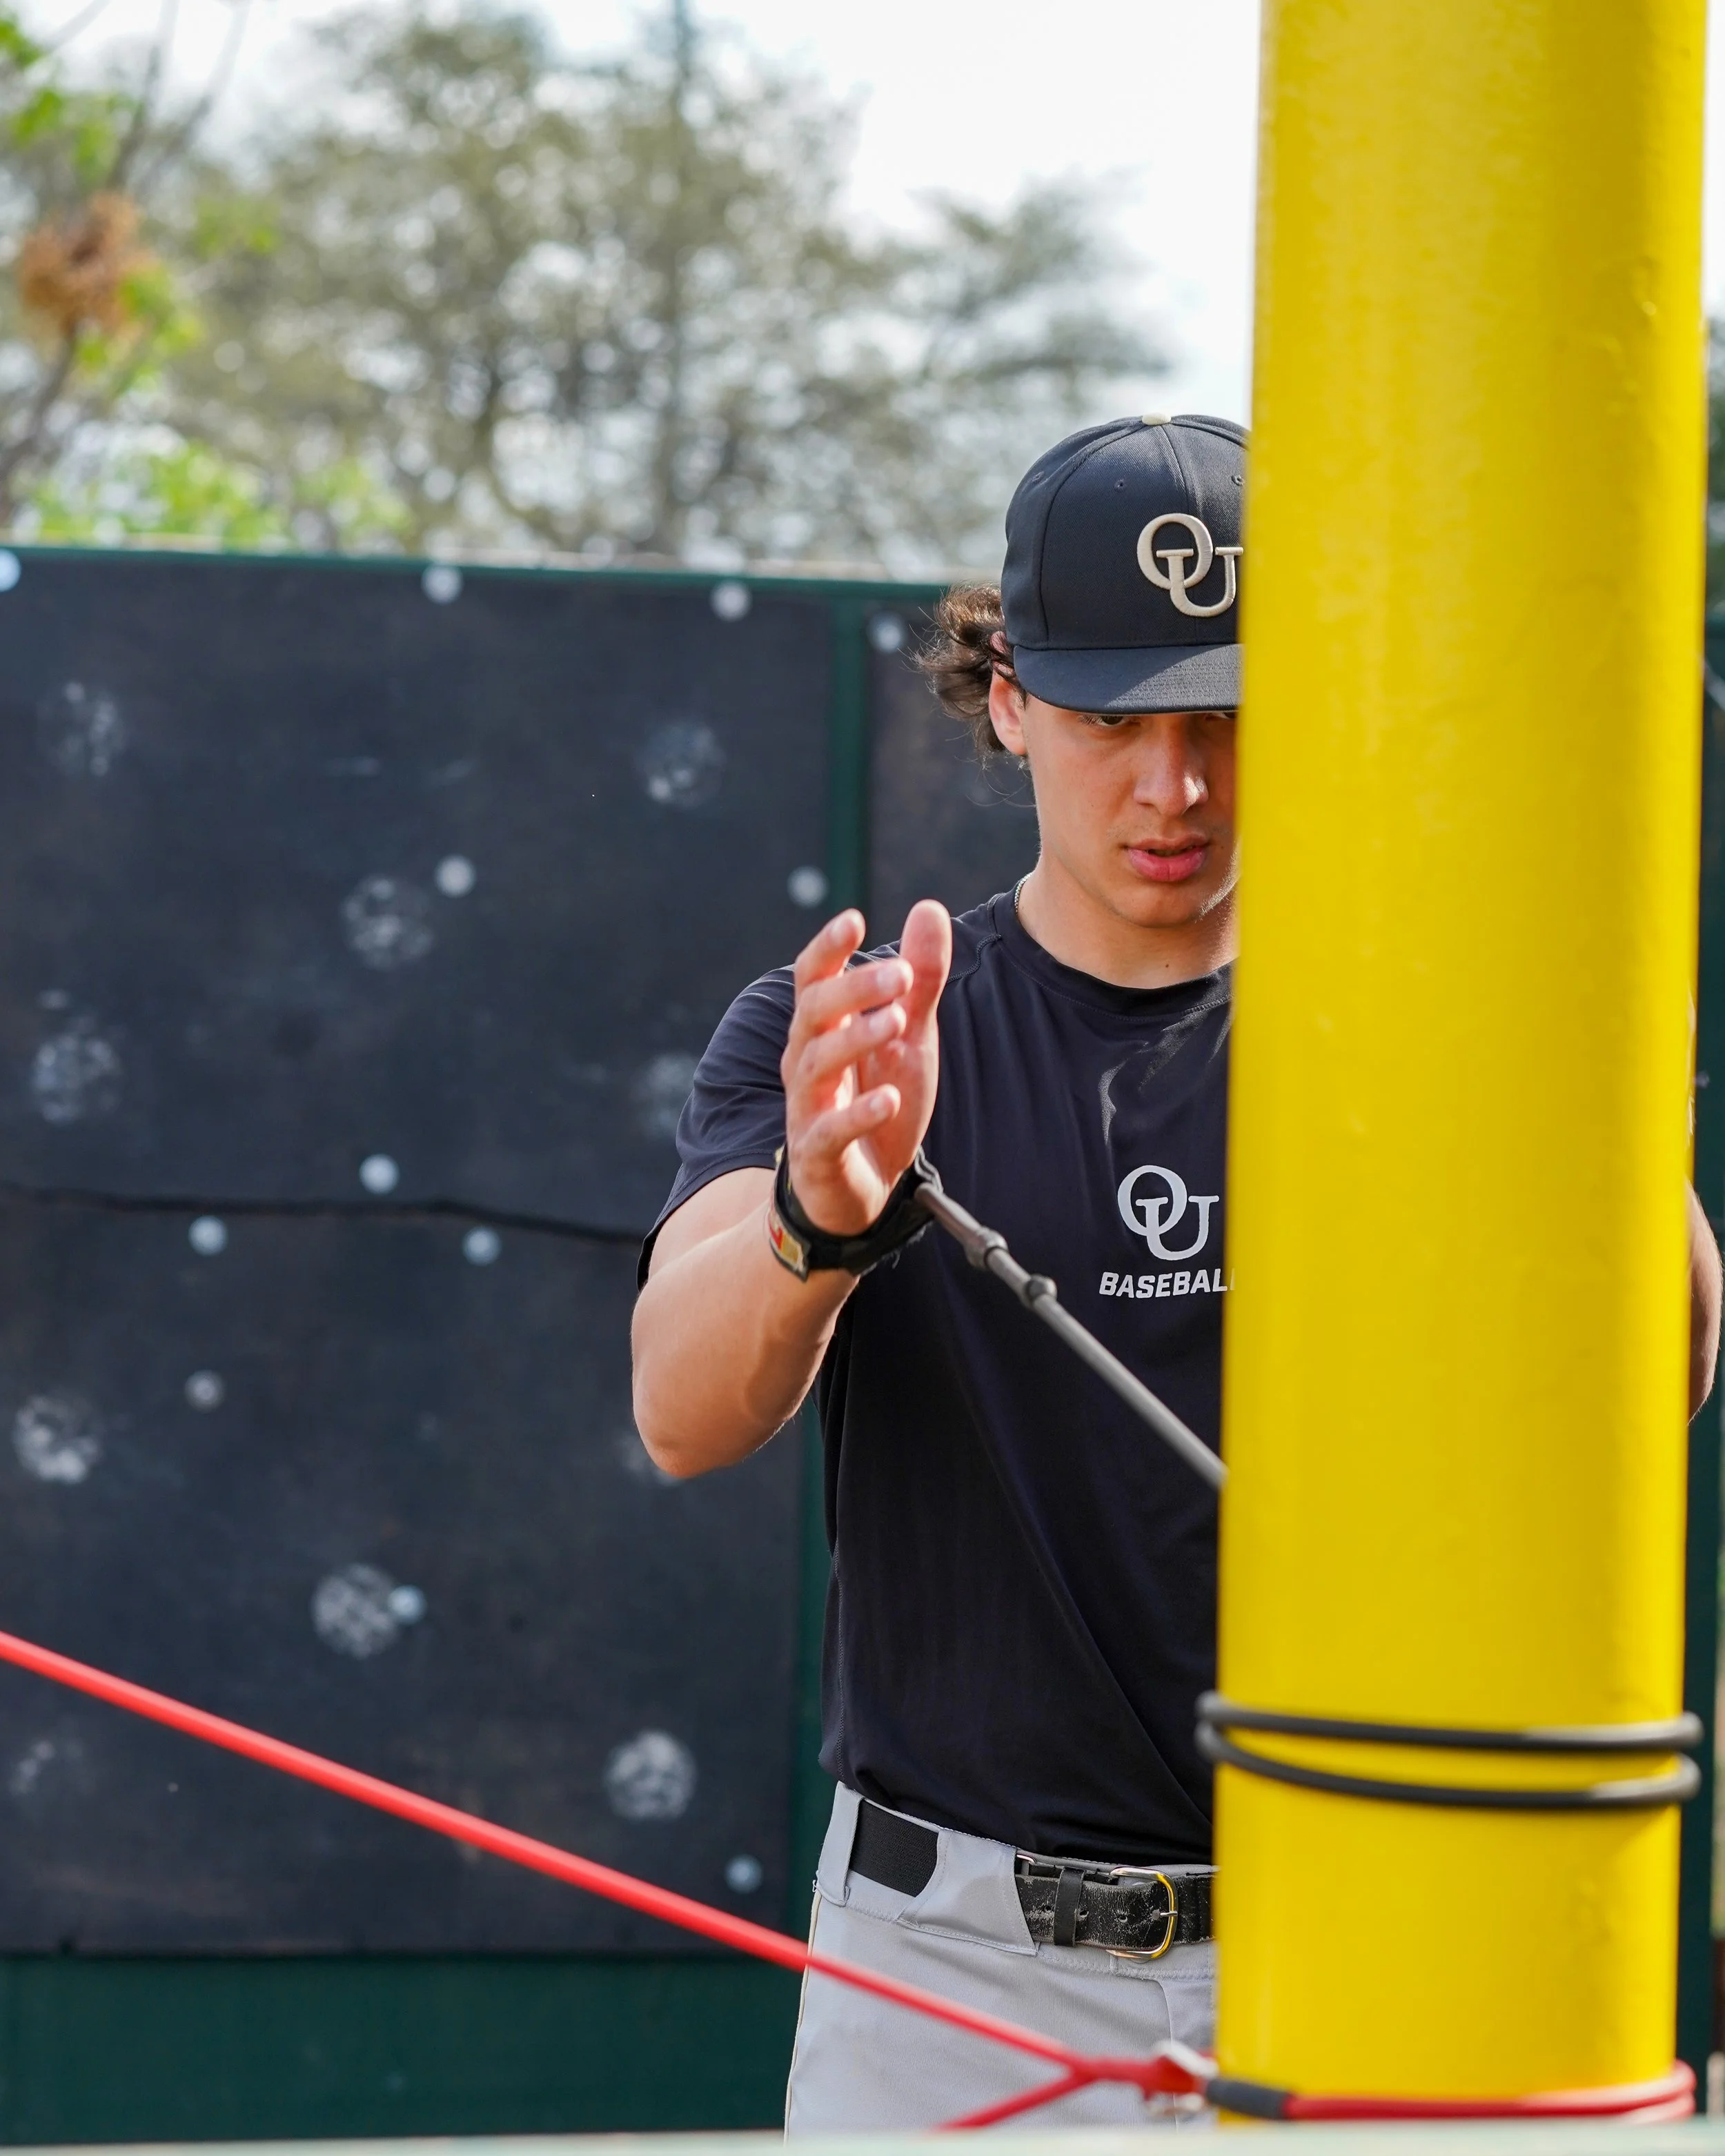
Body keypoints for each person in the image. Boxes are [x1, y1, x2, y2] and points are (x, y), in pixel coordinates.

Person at [631, 415, 1723, 2132]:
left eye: (1223, 712)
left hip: (1357, 1937)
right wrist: (819, 1219)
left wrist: (1597, 1131)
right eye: (1109, 716)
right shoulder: (846, 1034)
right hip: (948, 1973)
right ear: (1005, 697)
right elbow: (682, 1414)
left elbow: (1646, 1380)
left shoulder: (1415, 1020)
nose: (1174, 782)